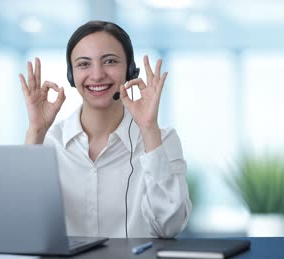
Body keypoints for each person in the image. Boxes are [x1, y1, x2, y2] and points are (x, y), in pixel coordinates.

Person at [18, 20, 191, 238]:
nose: (97, 75)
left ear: (129, 70)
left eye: (109, 61)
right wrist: (35, 131)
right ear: (72, 75)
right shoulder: (49, 141)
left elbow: (169, 227)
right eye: (83, 64)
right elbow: (23, 225)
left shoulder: (162, 139)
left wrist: (148, 129)